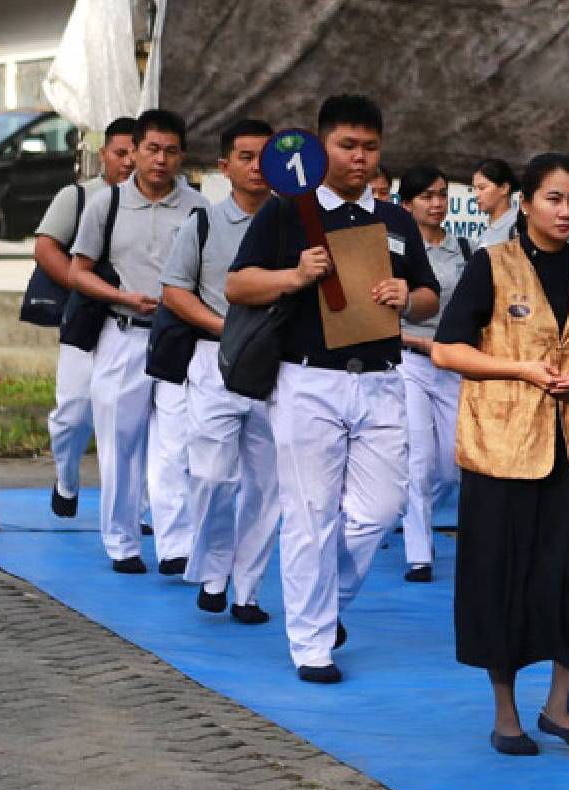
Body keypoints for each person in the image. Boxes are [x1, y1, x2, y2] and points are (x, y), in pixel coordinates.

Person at [226, 95, 440, 683]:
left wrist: (407, 298)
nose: (359, 157)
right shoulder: (286, 212)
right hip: (307, 382)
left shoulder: (395, 220)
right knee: (310, 515)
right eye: (348, 145)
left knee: (378, 512)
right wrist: (294, 276)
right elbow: (237, 285)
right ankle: (311, 644)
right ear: (322, 148)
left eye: (370, 147)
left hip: (381, 383)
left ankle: (328, 603)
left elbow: (429, 294)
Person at [432, 153, 569, 757]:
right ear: (526, 202)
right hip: (504, 451)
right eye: (554, 199)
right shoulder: (492, 265)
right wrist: (519, 368)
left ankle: (561, 706)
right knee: (505, 580)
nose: (566, 212)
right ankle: (506, 714)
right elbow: (447, 351)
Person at [70, 109, 206, 574]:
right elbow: (78, 271)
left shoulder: (198, 208)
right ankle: (122, 541)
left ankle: (175, 546)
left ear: (181, 155)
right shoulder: (105, 205)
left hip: (178, 339)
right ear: (136, 150)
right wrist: (122, 296)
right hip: (121, 335)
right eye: (152, 149)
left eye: (171, 151)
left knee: (175, 444)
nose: (161, 160)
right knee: (119, 445)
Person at [160, 119, 279, 623]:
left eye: (265, 158)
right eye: (246, 157)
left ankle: (246, 590)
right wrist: (222, 328)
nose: (257, 167)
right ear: (225, 166)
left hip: (278, 368)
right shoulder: (203, 223)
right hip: (214, 360)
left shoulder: (294, 224)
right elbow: (174, 290)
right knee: (210, 476)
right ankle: (212, 570)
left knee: (266, 485)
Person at [35, 116, 136, 519]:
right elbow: (46, 248)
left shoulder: (175, 203)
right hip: (85, 324)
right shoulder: (78, 197)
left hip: (138, 327)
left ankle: (140, 509)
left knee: (134, 423)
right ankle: (66, 479)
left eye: (135, 152)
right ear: (103, 155)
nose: (129, 162)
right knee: (73, 413)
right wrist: (84, 288)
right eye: (120, 153)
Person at [396, 164, 469, 583]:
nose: (437, 203)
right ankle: (418, 553)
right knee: (420, 459)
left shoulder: (464, 247)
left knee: (451, 463)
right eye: (427, 196)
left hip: (452, 361)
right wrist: (415, 341)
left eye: (442, 195)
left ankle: (412, 511)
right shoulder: (396, 252)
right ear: (407, 205)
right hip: (409, 359)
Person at [472, 158, 519, 248]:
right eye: (474, 188)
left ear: (504, 188)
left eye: (482, 188)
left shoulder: (519, 227)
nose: (476, 194)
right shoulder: (488, 232)